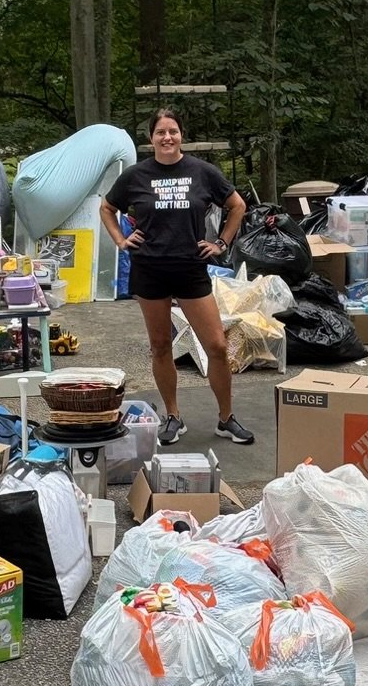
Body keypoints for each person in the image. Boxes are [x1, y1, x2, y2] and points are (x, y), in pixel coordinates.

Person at [101, 110, 254, 445]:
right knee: (160, 347)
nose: (166, 138)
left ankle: (226, 419)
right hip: (150, 270)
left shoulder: (202, 172)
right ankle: (173, 416)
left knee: (216, 345)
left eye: (172, 131)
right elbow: (107, 208)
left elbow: (237, 205)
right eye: (160, 132)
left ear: (181, 135)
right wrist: (120, 240)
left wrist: (222, 243)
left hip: (190, 269)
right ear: (151, 138)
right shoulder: (136, 176)